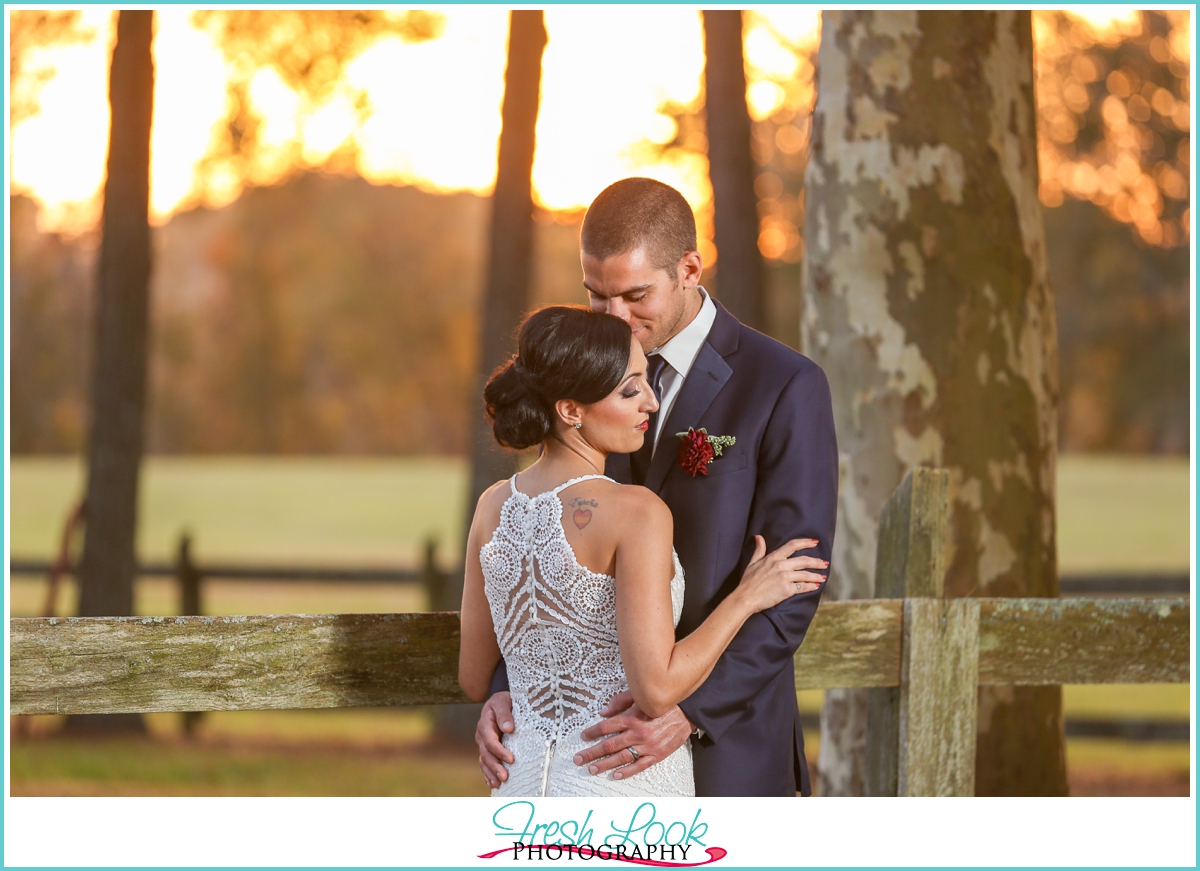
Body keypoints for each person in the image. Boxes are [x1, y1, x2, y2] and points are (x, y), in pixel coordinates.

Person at [475, 178, 839, 797]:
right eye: (597, 296)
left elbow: (791, 583)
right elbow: (540, 553)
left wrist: (690, 713)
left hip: (729, 745)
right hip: (584, 758)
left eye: (635, 295)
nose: (614, 318)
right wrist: (509, 687)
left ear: (689, 269)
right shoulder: (579, 372)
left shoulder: (784, 386)